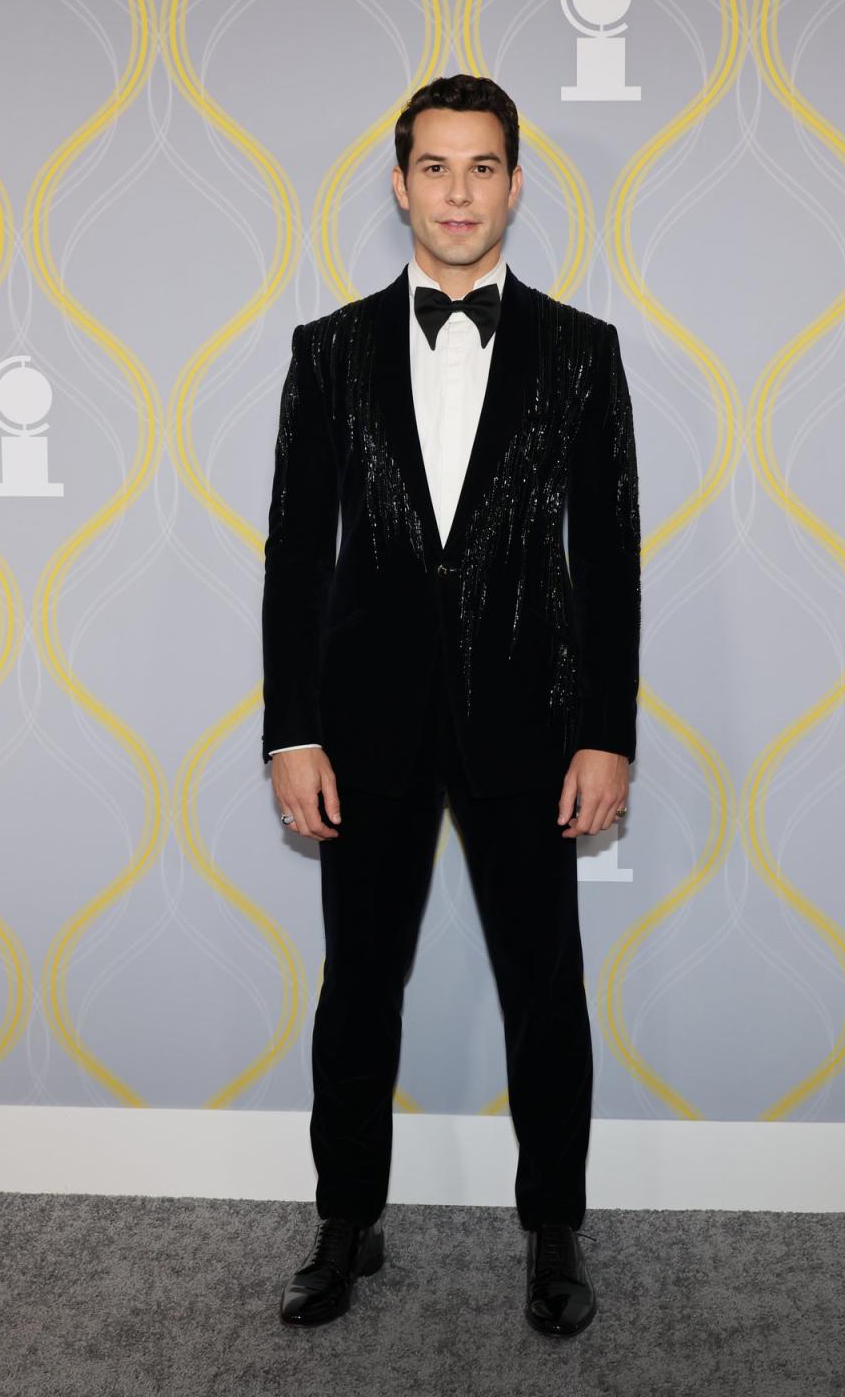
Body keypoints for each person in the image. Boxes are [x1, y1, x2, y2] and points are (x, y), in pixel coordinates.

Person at [262, 74, 641, 1339]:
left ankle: (554, 1234)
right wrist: (291, 730)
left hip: (529, 723)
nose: (460, 192)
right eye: (436, 167)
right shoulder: (326, 353)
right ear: (400, 182)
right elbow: (293, 558)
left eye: (483, 168)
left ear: (516, 184)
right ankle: (344, 1221)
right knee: (358, 982)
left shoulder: (584, 354)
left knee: (546, 987)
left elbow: (615, 559)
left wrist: (606, 732)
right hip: (361, 725)